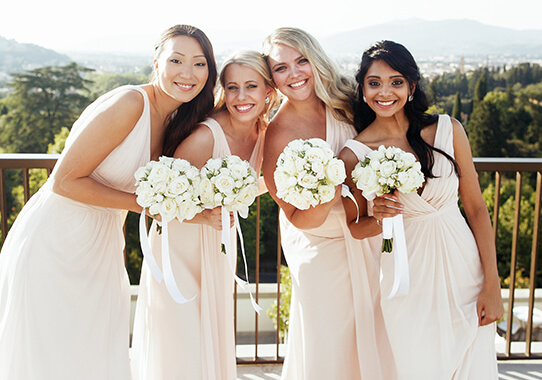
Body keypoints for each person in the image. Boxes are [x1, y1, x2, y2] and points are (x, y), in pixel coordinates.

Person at [0, 24, 216, 380]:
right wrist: (144, 205)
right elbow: (64, 182)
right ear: (157, 62)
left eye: (199, 63)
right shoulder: (131, 103)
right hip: (56, 240)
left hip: (101, 243)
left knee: (91, 348)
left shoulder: (179, 118)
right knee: (47, 351)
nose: (187, 73)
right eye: (176, 60)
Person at [339, 40, 504, 379]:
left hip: (465, 271)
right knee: (419, 367)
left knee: (473, 366)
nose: (385, 92)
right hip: (405, 277)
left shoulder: (448, 130)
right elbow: (356, 226)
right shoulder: (353, 154)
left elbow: (476, 209)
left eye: (396, 81)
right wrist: (378, 218)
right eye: (374, 83)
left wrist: (492, 283)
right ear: (363, 88)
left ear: (411, 86)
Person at [131, 49, 277, 380]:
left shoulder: (266, 134)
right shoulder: (203, 137)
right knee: (181, 341)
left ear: (269, 92)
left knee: (209, 335)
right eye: (232, 87)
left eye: (251, 86)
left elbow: (264, 181)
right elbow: (160, 204)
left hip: (215, 245)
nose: (241, 97)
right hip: (179, 246)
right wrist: (204, 218)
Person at [261, 27, 396, 380]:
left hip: (370, 235)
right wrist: (329, 193)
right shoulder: (276, 133)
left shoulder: (350, 102)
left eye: (301, 60)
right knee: (329, 343)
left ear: (314, 58)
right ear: (271, 77)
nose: (294, 74)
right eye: (281, 68)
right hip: (319, 247)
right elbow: (295, 217)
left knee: (379, 334)